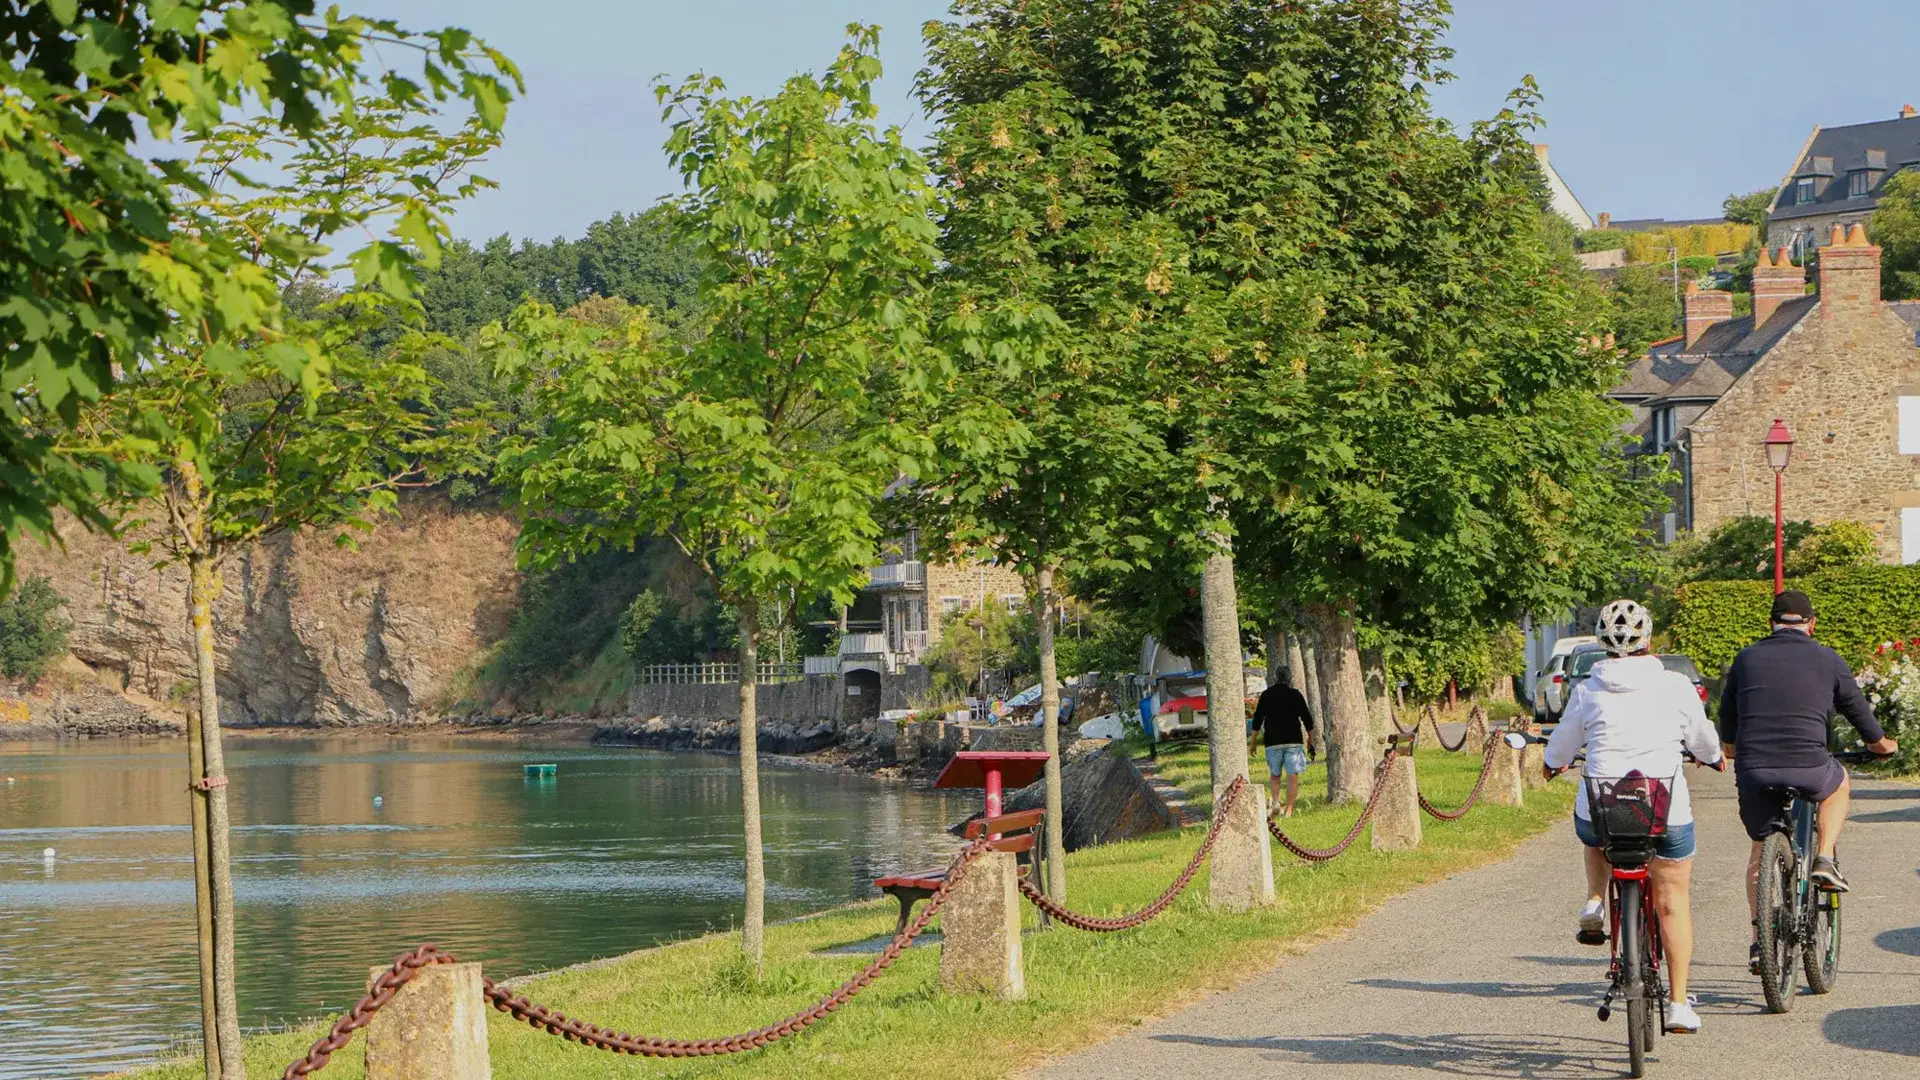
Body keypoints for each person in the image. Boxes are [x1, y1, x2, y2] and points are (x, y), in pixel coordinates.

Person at [1545, 599, 1723, 1035]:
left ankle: (1593, 899)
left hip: (1604, 810)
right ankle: (1680, 1004)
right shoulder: (1677, 686)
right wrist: (1713, 758)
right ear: (1649, 640)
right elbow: (1703, 741)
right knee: (1672, 901)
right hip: (1663, 812)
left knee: (1592, 829)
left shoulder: (1586, 690)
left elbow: (1561, 747)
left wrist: (1552, 765)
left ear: (1602, 643)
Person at [1718, 589, 1899, 973]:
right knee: (1838, 784)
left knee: (1759, 850)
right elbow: (1857, 709)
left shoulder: (1746, 658)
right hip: (1808, 764)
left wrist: (1731, 747)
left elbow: (1728, 711)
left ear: (1771, 623)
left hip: (1756, 769)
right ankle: (1825, 857)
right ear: (1811, 624)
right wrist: (1880, 745)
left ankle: (1758, 942)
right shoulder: (1827, 659)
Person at [1249, 667, 1315, 817]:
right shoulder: (1295, 694)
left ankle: (1276, 802)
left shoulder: (1266, 695)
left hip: (1273, 741)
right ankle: (1289, 810)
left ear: (1274, 677)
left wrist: (1253, 742)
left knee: (1275, 774)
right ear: (1289, 678)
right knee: (1292, 775)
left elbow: (1257, 719)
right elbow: (1307, 718)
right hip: (1293, 741)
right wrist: (1310, 739)